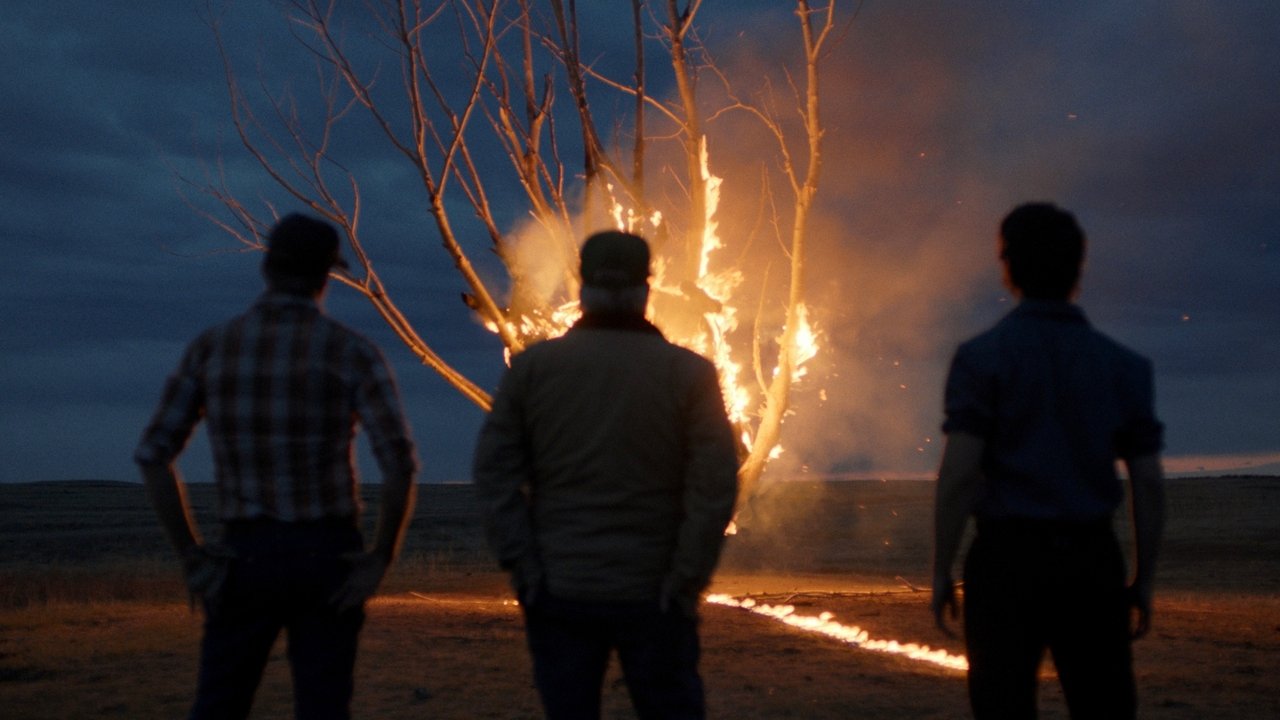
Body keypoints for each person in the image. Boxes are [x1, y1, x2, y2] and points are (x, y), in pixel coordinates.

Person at [134, 213, 418, 720]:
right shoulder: (352, 351)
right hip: (327, 557)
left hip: (244, 556)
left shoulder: (213, 347)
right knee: (324, 705)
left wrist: (192, 558)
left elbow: (154, 455)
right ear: (325, 276)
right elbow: (398, 463)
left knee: (220, 703)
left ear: (267, 268)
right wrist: (380, 558)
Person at [473, 230, 740, 720]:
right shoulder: (688, 373)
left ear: (582, 287)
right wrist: (686, 578)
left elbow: (493, 476)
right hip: (655, 593)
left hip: (561, 589)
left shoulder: (534, 370)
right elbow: (716, 483)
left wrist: (524, 568)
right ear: (646, 289)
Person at [931, 202, 1167, 719]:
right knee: (1103, 706)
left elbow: (958, 474)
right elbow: (1147, 482)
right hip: (1090, 564)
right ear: (1078, 270)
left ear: (1008, 268)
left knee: (1003, 706)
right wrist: (1142, 579)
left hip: (1005, 563)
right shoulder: (1124, 366)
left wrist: (942, 567)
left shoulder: (981, 358)